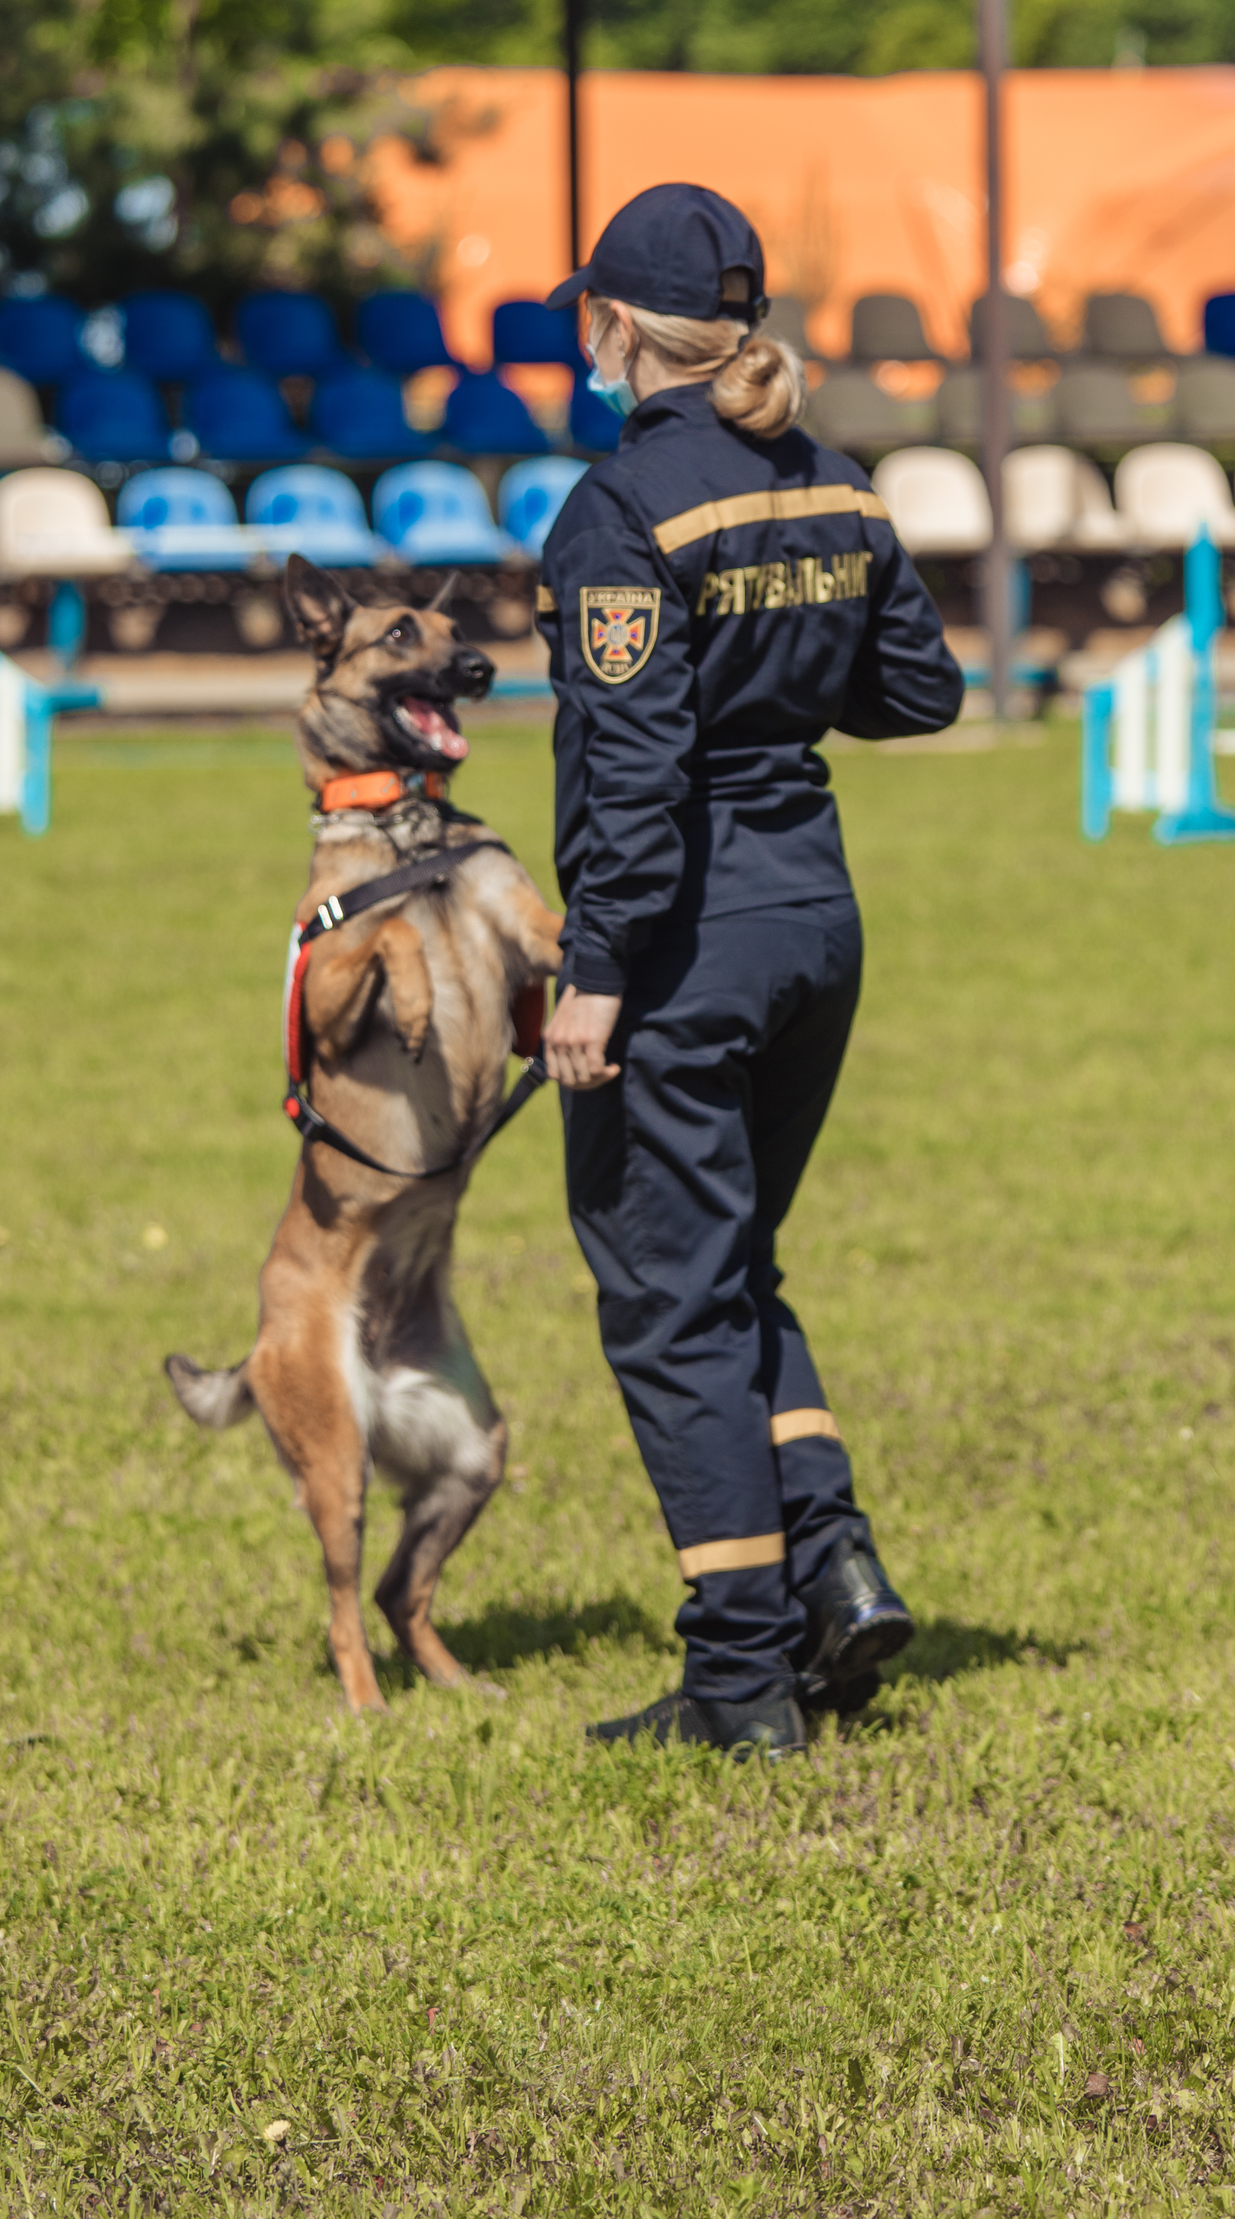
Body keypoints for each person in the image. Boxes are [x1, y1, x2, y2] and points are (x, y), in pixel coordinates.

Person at [538, 183, 966, 1759]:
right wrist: (783, 676)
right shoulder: (838, 481)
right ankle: (833, 1577)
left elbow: (634, 773)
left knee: (668, 1301)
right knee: (732, 1270)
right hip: (817, 931)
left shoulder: (619, 510)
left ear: (613, 327)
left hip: (687, 946)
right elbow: (919, 691)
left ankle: (739, 1682)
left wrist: (594, 976)